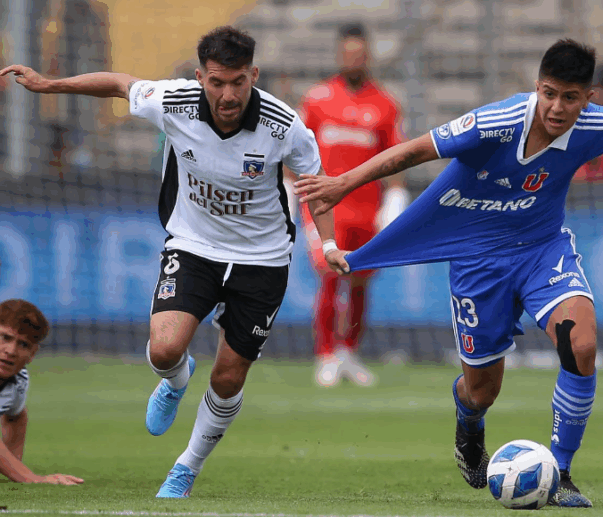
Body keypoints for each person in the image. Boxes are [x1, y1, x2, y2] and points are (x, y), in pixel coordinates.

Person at [295, 39, 603, 508]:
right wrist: (343, 181)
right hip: (479, 261)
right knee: (482, 389)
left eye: (570, 97)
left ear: (590, 97)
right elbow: (412, 152)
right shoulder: (496, 121)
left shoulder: (602, 123)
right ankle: (469, 425)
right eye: (549, 93)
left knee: (580, 344)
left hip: (543, 250)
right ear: (537, 87)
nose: (557, 107)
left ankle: (560, 471)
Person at [1, 26, 348, 498]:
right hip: (193, 246)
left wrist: (327, 247)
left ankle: (186, 467)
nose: (228, 95)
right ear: (201, 77)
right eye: (217, 81)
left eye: (239, 82)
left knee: (228, 376)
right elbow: (120, 83)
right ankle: (176, 381)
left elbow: (316, 188)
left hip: (262, 260)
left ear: (254, 76)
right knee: (164, 349)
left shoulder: (284, 125)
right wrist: (49, 84)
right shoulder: (174, 100)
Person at [294, 22, 409, 387]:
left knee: (360, 282)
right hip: (324, 207)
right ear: (339, 56)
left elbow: (395, 156)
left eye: (360, 54)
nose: (354, 59)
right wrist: (285, 186)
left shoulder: (385, 104)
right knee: (330, 275)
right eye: (348, 53)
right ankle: (326, 354)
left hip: (365, 209)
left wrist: (395, 196)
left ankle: (349, 352)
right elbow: (294, 148)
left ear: (368, 56)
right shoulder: (317, 99)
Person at [0, 299, 84, 485]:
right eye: (5, 337)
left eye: (23, 345)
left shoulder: (18, 381)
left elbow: (17, 414)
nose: (11, 351)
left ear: (33, 354)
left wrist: (12, 465)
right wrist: (31, 478)